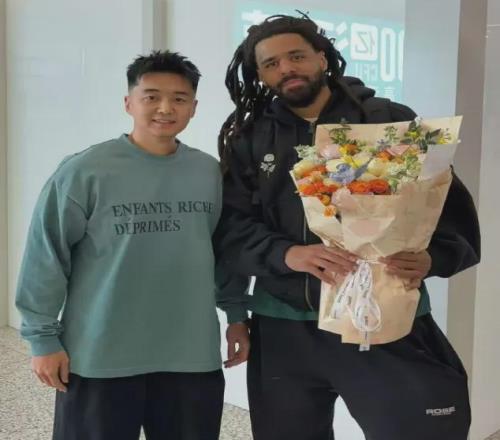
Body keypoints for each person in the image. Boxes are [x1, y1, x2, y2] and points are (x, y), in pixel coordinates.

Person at [215, 13, 480, 440]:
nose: (286, 69)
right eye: (271, 64)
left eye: (296, 56)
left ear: (322, 57)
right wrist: (287, 254)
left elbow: (447, 207)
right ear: (260, 75)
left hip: (383, 314)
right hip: (284, 323)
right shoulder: (250, 136)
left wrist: (433, 258)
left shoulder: (388, 120)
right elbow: (230, 226)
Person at [16, 50, 249, 440]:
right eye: (151, 96)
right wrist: (42, 339)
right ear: (129, 103)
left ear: (193, 107)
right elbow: (46, 256)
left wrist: (236, 314)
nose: (165, 108)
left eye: (179, 98)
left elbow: (222, 253)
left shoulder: (208, 171)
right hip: (100, 354)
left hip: (189, 354)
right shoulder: (85, 170)